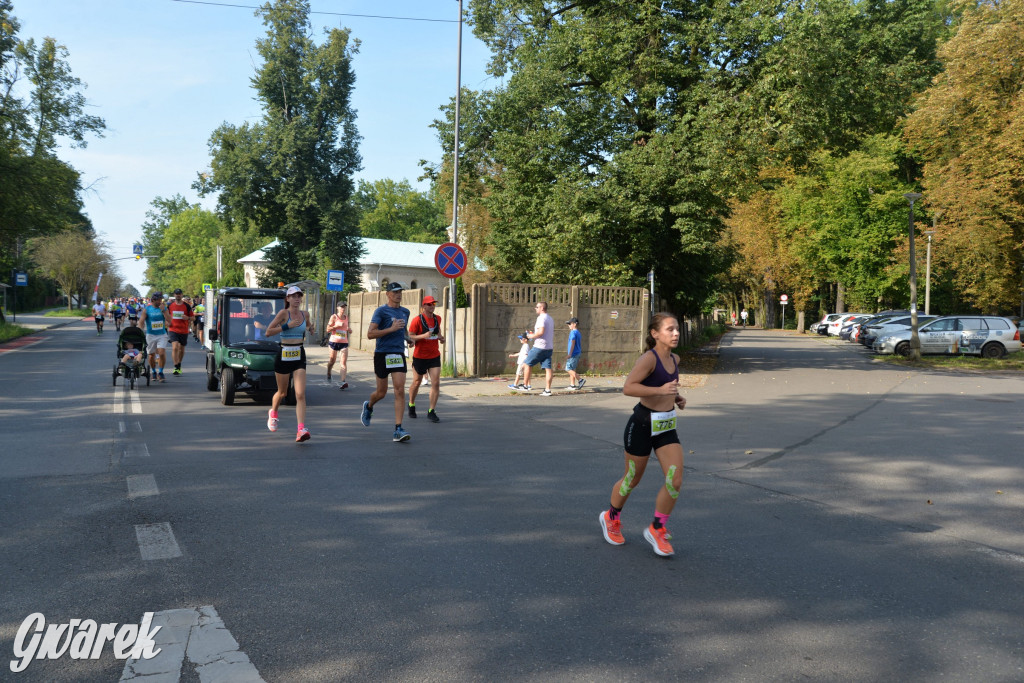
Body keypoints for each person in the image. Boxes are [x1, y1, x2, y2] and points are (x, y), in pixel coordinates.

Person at [598, 313, 687, 558]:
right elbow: (629, 387)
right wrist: (659, 390)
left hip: (666, 426)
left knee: (675, 479)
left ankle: (657, 528)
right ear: (655, 334)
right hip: (642, 424)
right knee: (632, 479)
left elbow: (667, 387)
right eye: (670, 329)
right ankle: (611, 517)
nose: (676, 333)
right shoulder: (649, 359)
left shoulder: (675, 358)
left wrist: (674, 397)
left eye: (677, 329)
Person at [360, 282, 412, 442]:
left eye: (400, 292)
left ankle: (398, 429)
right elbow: (370, 334)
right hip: (382, 354)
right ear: (388, 294)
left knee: (399, 389)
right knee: (381, 393)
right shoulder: (381, 311)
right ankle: (369, 406)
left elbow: (403, 329)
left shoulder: (405, 312)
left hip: (397, 353)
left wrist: (408, 338)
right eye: (395, 292)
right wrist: (391, 329)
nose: (398, 294)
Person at [265, 286, 313, 442]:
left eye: (299, 296)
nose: (297, 299)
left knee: (300, 394)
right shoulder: (283, 314)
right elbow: (268, 331)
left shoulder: (305, 314)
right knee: (283, 392)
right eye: (293, 296)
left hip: (299, 353)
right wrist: (287, 326)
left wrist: (311, 328)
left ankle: (301, 429)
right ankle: (273, 412)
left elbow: (307, 325)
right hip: (284, 353)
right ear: (288, 299)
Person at [407, 295, 445, 422]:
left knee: (436, 383)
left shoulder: (437, 318)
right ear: (423, 306)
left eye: (433, 304)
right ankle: (411, 404)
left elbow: (437, 332)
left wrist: (441, 338)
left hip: (434, 355)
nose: (432, 306)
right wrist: (423, 335)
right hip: (420, 356)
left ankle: (431, 411)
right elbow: (410, 336)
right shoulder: (417, 320)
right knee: (417, 382)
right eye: (429, 304)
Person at [520, 301, 555, 396]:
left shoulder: (541, 318)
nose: (535, 308)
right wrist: (533, 334)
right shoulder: (550, 318)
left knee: (527, 364)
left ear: (542, 308)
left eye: (537, 307)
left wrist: (529, 336)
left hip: (539, 347)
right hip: (549, 347)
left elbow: (541, 332)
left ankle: (525, 386)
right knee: (548, 368)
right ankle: (547, 390)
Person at [138, 292, 171, 381]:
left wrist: (164, 311)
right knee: (151, 355)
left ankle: (160, 372)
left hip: (162, 334)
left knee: (161, 353)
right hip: (150, 335)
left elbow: (170, 320)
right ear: (153, 300)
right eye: (159, 300)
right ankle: (153, 372)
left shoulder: (164, 308)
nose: (161, 301)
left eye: (161, 299)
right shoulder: (147, 309)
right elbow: (141, 321)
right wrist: (140, 329)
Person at [166, 289, 193, 375]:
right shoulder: (170, 306)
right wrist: (167, 322)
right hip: (173, 329)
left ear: (182, 295)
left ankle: (179, 363)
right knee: (175, 347)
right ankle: (176, 366)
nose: (178, 295)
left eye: (179, 294)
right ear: (174, 295)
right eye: (176, 294)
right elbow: (166, 316)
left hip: (183, 330)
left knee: (181, 349)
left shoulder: (187, 306)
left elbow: (193, 318)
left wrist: (187, 318)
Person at [325, 302, 350, 388]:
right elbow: (327, 329)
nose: (343, 309)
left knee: (343, 362)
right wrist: (336, 326)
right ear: (337, 308)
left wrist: (348, 329)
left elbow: (346, 328)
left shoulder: (346, 318)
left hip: (344, 342)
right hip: (334, 342)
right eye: (341, 307)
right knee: (332, 360)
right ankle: (329, 371)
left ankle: (343, 382)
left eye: (344, 307)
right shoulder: (334, 317)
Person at [565, 317, 586, 391]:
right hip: (577, 353)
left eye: (570, 324)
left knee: (568, 369)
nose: (569, 325)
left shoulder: (573, 332)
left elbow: (573, 343)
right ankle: (572, 385)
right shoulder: (578, 332)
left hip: (573, 353)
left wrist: (570, 354)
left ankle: (580, 380)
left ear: (574, 324)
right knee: (572, 369)